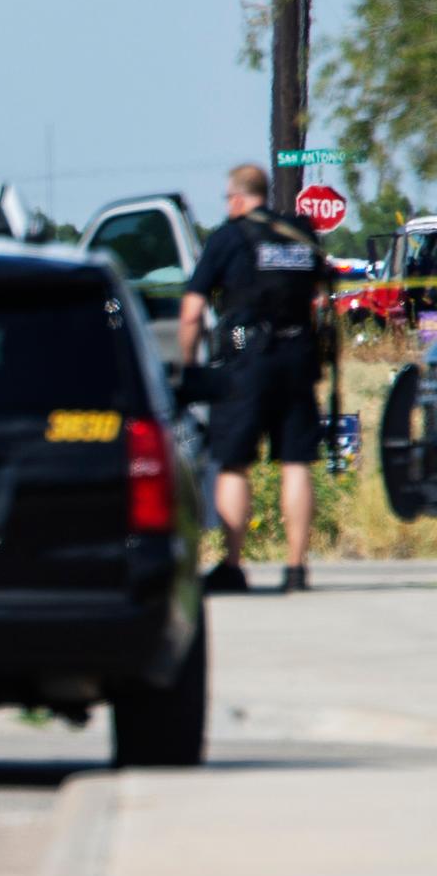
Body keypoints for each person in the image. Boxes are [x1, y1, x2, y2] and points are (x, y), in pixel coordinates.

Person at [178, 162, 335, 594]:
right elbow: (324, 298)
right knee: (296, 462)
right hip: (298, 356)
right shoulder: (300, 235)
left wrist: (189, 368)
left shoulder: (230, 237)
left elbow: (192, 311)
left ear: (235, 198)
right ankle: (297, 567)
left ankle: (232, 565)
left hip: (247, 364)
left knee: (234, 463)